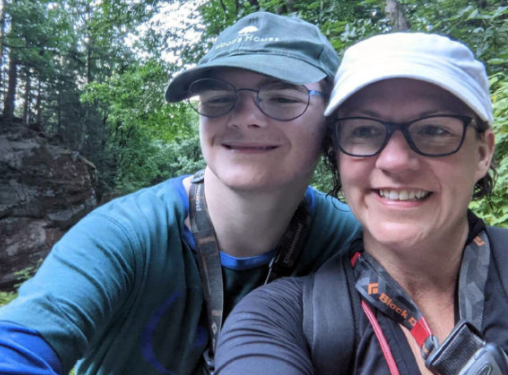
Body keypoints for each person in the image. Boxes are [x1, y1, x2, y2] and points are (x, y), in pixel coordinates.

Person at [0, 12, 360, 375]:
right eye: (219, 98)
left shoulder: (350, 242)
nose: (245, 118)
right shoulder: (125, 235)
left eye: (282, 98)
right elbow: (10, 343)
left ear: (332, 119)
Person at [215, 32, 508, 375]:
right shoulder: (276, 322)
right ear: (336, 154)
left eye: (433, 130)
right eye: (365, 131)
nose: (396, 161)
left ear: (482, 153)